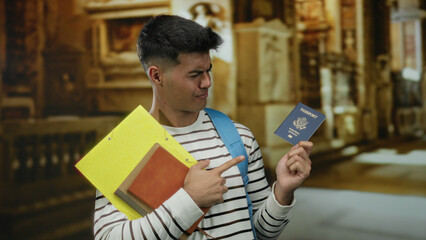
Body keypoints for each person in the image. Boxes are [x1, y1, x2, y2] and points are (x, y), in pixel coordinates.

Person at [94, 15, 313, 240]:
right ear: (157, 75)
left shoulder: (240, 137)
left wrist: (283, 192)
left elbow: (261, 233)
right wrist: (190, 200)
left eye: (208, 70)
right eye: (195, 74)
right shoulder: (123, 147)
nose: (207, 82)